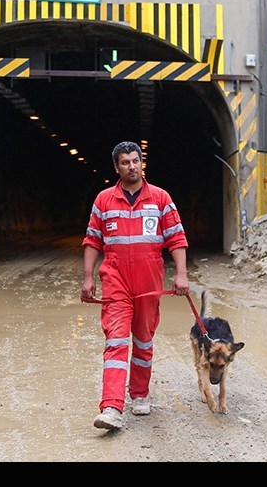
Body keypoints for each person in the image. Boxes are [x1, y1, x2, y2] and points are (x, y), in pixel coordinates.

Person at [81, 141, 189, 431]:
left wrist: (181, 274)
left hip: (149, 281)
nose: (131, 166)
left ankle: (140, 394)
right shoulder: (104, 200)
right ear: (116, 167)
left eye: (135, 161)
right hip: (115, 279)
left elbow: (176, 239)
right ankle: (112, 407)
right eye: (125, 162)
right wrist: (88, 277)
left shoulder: (161, 199)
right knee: (116, 341)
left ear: (142, 163)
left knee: (143, 340)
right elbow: (92, 240)